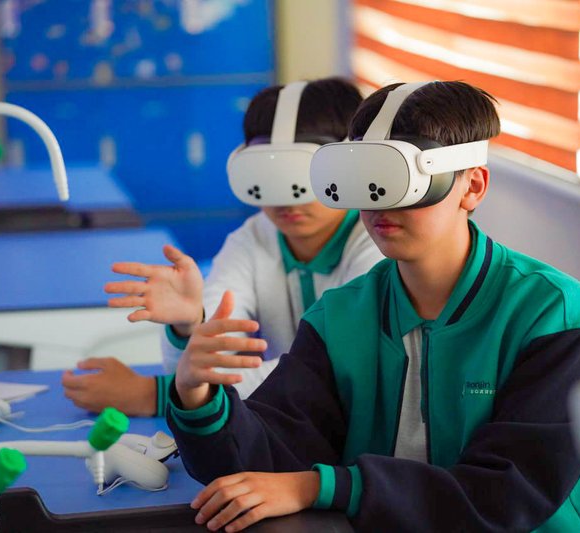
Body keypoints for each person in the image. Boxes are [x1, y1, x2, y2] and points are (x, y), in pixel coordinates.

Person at [165, 81, 580, 532]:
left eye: (404, 182)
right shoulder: (339, 318)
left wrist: (326, 486)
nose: (380, 203)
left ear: (472, 187)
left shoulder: (550, 314)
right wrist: (197, 396)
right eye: (364, 181)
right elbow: (268, 456)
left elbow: (509, 492)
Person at [61, 78, 383, 416]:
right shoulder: (252, 238)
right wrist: (190, 325)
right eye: (267, 175)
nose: (287, 196)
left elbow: (336, 372)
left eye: (305, 175)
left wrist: (154, 395)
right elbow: (200, 368)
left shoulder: (377, 245)